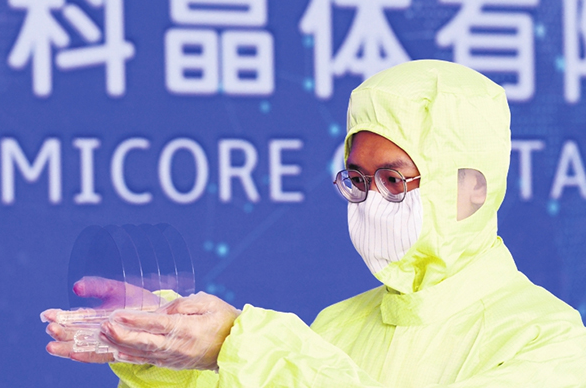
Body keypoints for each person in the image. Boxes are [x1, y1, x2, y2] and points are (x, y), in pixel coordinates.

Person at [43, 60, 586, 387]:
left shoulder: (549, 341)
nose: (370, 201)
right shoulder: (336, 327)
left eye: (393, 179)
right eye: (357, 179)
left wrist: (238, 345)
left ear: (472, 187)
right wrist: (166, 350)